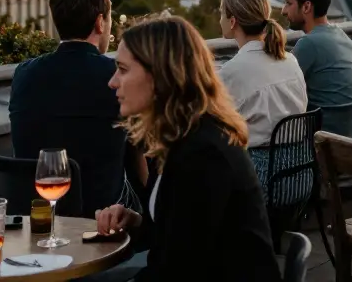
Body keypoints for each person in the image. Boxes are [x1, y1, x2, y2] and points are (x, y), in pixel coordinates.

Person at [95, 16, 281, 281]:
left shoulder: (202, 155)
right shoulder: (182, 137)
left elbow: (180, 270)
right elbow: (177, 236)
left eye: (123, 69)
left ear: (161, 76)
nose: (112, 82)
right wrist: (134, 220)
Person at [9, 0, 141, 216]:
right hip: (101, 218)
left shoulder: (24, 74)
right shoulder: (116, 76)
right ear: (100, 22)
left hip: (35, 215)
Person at [218, 0, 308, 182]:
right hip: (299, 174)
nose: (220, 19)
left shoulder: (233, 71)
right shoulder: (289, 59)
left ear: (232, 21)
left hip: (262, 179)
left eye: (222, 13)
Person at [281, 0, 352, 137]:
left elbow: (278, 86)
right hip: (347, 142)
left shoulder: (310, 43)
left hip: (318, 147)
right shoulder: (341, 36)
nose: (284, 10)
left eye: (288, 3)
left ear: (306, 7)